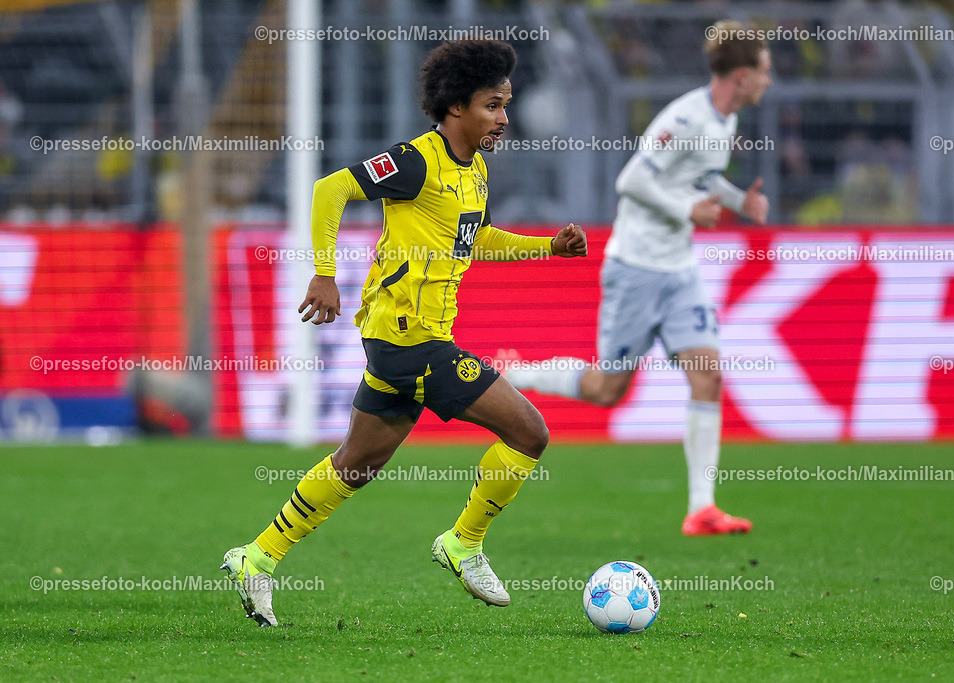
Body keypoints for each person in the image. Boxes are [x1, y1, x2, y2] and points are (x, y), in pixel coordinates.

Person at [221, 39, 587, 626]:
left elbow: (479, 239)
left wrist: (548, 248)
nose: (504, 117)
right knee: (529, 432)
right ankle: (463, 543)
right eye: (493, 105)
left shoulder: (475, 171)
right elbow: (330, 188)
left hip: (408, 342)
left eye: (506, 104)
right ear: (457, 107)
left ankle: (256, 557)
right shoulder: (418, 160)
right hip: (411, 342)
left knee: (356, 464)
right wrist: (323, 272)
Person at [506, 20, 770, 536]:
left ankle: (702, 508)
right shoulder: (687, 117)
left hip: (680, 271)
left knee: (708, 374)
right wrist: (689, 208)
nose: (769, 81)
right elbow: (633, 179)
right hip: (636, 269)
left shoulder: (725, 121)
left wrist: (740, 201)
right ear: (740, 75)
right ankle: (519, 375)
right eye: (764, 71)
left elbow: (700, 175)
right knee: (607, 389)